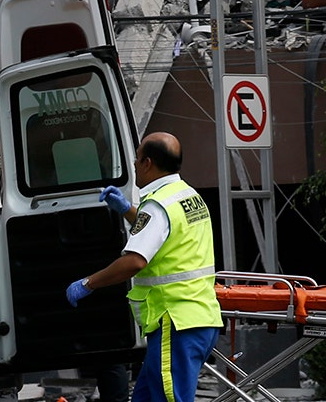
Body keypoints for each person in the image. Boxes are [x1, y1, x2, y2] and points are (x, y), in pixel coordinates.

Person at [67, 133, 222, 402]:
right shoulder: (188, 196)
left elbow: (136, 260)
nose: (135, 165)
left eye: (137, 160)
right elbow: (163, 233)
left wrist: (88, 283)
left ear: (148, 163)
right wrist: (128, 210)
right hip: (200, 318)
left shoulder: (158, 204)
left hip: (174, 321)